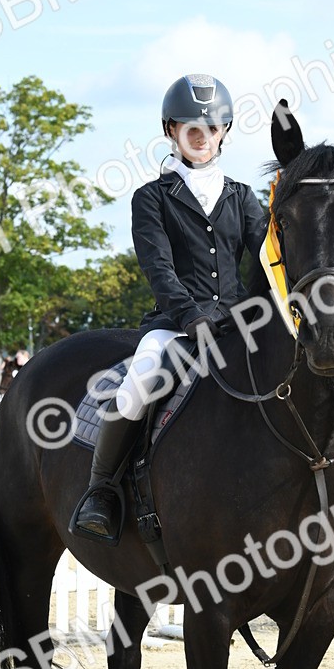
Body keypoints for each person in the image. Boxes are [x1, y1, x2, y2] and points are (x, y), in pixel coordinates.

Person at [75, 72, 268, 537]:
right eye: (191, 129)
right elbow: (158, 268)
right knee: (138, 383)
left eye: (211, 129)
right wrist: (190, 314)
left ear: (223, 132)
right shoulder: (152, 198)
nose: (202, 138)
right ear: (172, 131)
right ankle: (101, 491)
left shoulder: (242, 197)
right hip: (174, 325)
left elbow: (267, 256)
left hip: (236, 324)